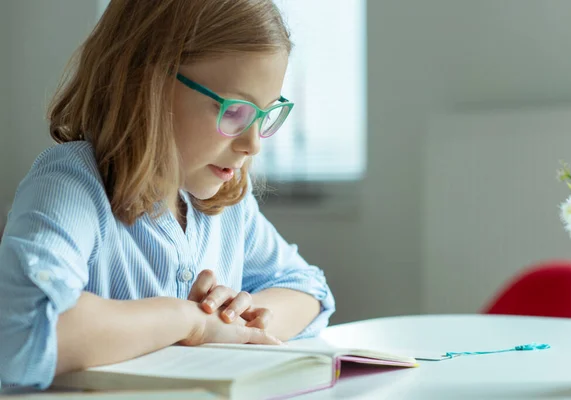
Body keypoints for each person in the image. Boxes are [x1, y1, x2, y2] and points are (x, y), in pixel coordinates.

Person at [0, 0, 335, 389]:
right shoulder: (71, 186)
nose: (253, 145)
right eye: (234, 112)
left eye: (264, 116)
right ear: (146, 85)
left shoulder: (226, 204)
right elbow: (18, 334)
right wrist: (190, 321)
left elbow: (308, 289)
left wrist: (246, 318)